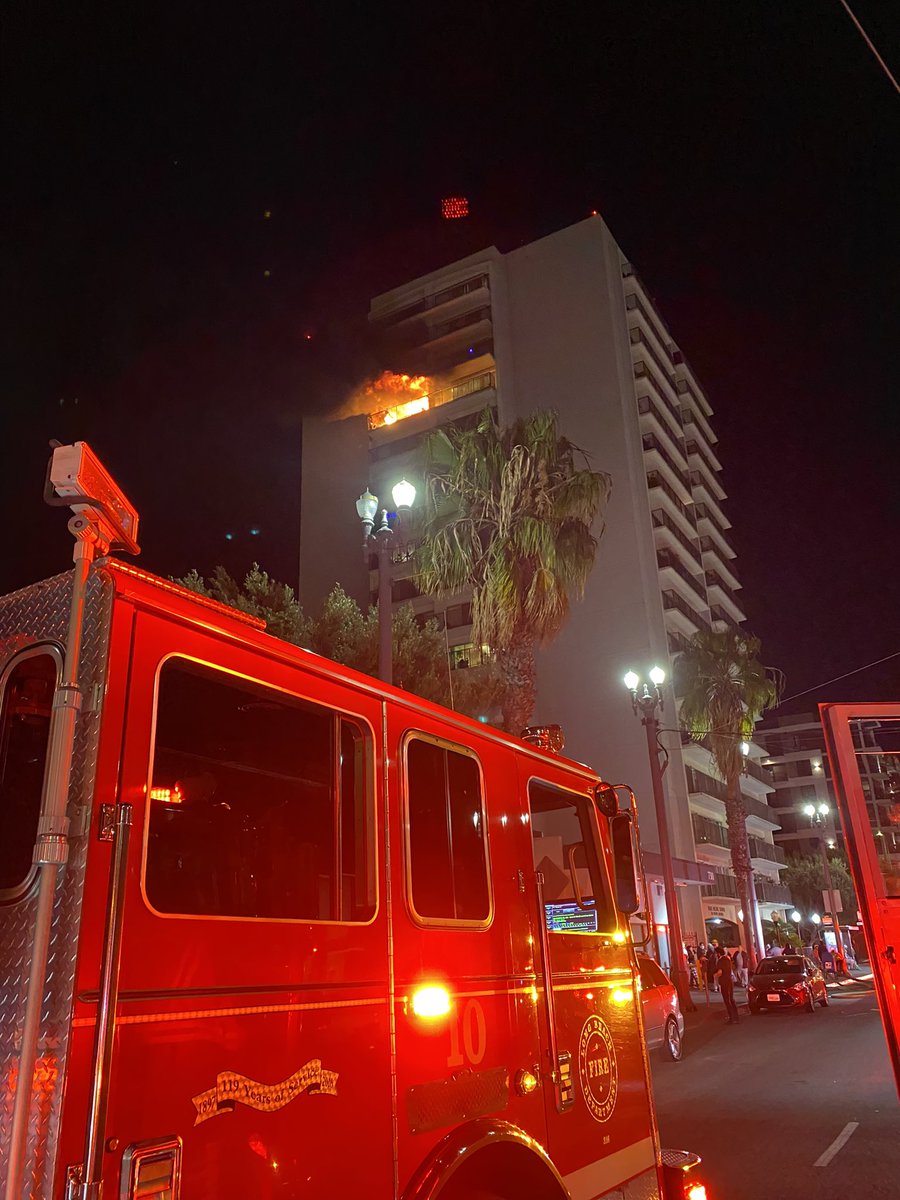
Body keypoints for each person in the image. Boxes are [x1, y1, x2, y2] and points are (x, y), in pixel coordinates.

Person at [715, 947, 740, 1024]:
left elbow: (720, 972)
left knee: (727, 1000)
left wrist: (715, 975)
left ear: (718, 954)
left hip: (724, 982)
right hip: (730, 981)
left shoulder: (720, 961)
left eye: (716, 953)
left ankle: (731, 1018)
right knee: (731, 999)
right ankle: (736, 1017)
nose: (716, 955)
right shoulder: (728, 959)